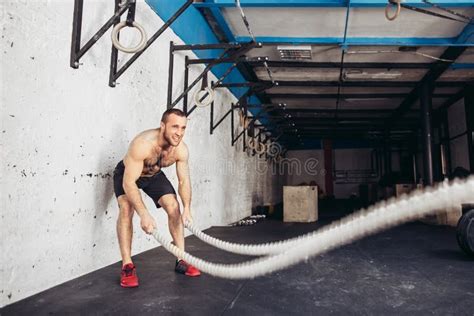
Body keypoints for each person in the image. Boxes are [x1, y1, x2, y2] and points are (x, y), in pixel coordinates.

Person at [113, 108, 200, 288]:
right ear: (163, 126)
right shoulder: (143, 144)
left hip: (153, 175)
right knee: (126, 208)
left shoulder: (181, 150)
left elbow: (184, 181)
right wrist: (144, 214)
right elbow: (129, 183)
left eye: (183, 128)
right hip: (128, 175)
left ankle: (181, 259)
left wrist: (187, 209)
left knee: (173, 206)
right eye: (175, 127)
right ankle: (127, 265)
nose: (179, 133)